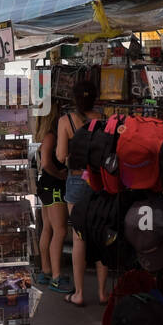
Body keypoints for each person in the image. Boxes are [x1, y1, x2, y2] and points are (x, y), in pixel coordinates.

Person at [55, 76, 109, 307]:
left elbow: (59, 156)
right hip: (100, 182)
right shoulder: (105, 119)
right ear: (94, 98)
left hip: (76, 181)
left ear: (74, 99)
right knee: (101, 235)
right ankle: (102, 292)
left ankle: (78, 293)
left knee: (79, 239)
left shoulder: (66, 121)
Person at [33, 107, 70, 292]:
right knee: (60, 230)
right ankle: (56, 276)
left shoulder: (46, 135)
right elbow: (46, 163)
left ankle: (46, 270)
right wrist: (60, 176)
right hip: (54, 186)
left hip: (47, 186)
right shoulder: (51, 136)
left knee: (48, 228)